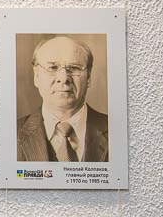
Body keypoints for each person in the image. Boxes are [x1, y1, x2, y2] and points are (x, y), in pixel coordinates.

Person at [16, 35, 108, 163]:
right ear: (36, 76)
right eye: (53, 68)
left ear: (88, 77)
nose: (64, 78)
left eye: (74, 68)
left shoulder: (116, 130)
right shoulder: (12, 134)